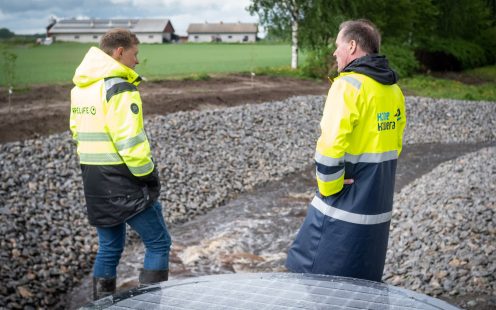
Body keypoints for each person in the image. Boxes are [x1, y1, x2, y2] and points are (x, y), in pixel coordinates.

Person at [285, 19, 406, 282]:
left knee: (307, 272)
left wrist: (330, 187)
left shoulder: (347, 85)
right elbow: (395, 146)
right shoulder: (393, 89)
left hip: (343, 206)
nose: (334, 52)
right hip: (377, 203)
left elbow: (330, 147)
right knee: (360, 286)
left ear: (351, 46)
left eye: (337, 45)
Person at [70, 28, 172, 300]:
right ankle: (151, 305)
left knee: (109, 248)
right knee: (159, 243)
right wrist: (149, 177)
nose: (136, 61)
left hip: (93, 179)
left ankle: (100, 305)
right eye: (135, 54)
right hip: (123, 179)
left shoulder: (81, 89)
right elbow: (130, 143)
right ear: (119, 52)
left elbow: (76, 132)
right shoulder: (119, 88)